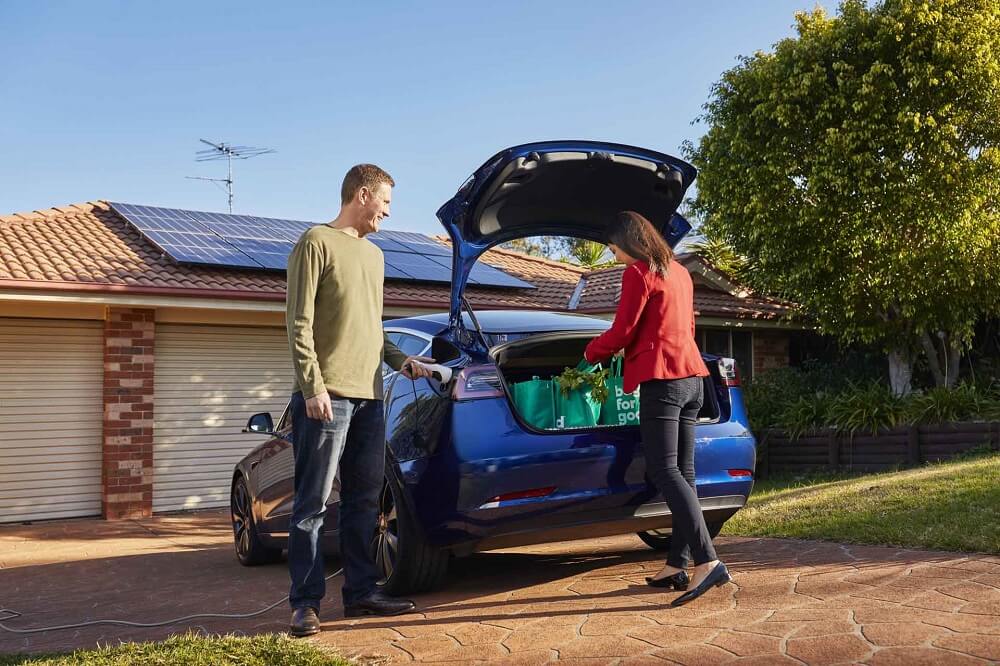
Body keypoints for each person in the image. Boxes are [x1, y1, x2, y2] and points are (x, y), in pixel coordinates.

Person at [285, 164, 435, 637]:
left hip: (370, 397)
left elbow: (372, 329)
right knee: (311, 504)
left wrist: (402, 361)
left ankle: (362, 593)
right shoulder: (315, 242)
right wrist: (313, 386)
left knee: (365, 502)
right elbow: (298, 323)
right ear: (364, 194)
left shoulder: (374, 257)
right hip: (327, 397)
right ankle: (306, 604)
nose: (387, 213)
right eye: (385, 203)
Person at [584, 211, 732, 607]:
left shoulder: (637, 273)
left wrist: (591, 351)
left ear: (629, 242)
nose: (612, 253)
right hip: (693, 378)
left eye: (613, 246)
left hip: (662, 380)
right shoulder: (679, 272)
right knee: (684, 472)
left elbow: (623, 330)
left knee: (664, 470)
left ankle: (707, 560)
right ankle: (677, 563)